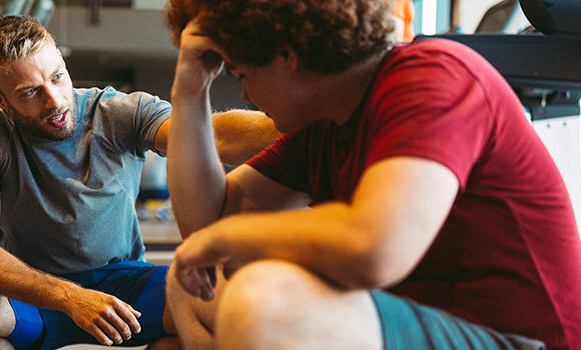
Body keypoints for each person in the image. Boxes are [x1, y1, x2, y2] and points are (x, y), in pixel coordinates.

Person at [163, 0, 581, 349]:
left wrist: (222, 240)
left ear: (287, 54)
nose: (246, 95)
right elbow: (204, 223)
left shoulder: (431, 77)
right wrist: (189, 91)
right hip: (431, 326)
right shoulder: (323, 123)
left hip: (520, 340)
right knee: (189, 285)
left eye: (241, 75)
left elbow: (373, 249)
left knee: (266, 303)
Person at [0, 15, 277, 350]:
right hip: (32, 293)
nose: (55, 100)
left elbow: (213, 136)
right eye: (30, 92)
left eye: (57, 77)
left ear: (62, 62)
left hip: (124, 285)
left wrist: (306, 122)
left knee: (228, 302)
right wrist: (68, 297)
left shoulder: (116, 111)